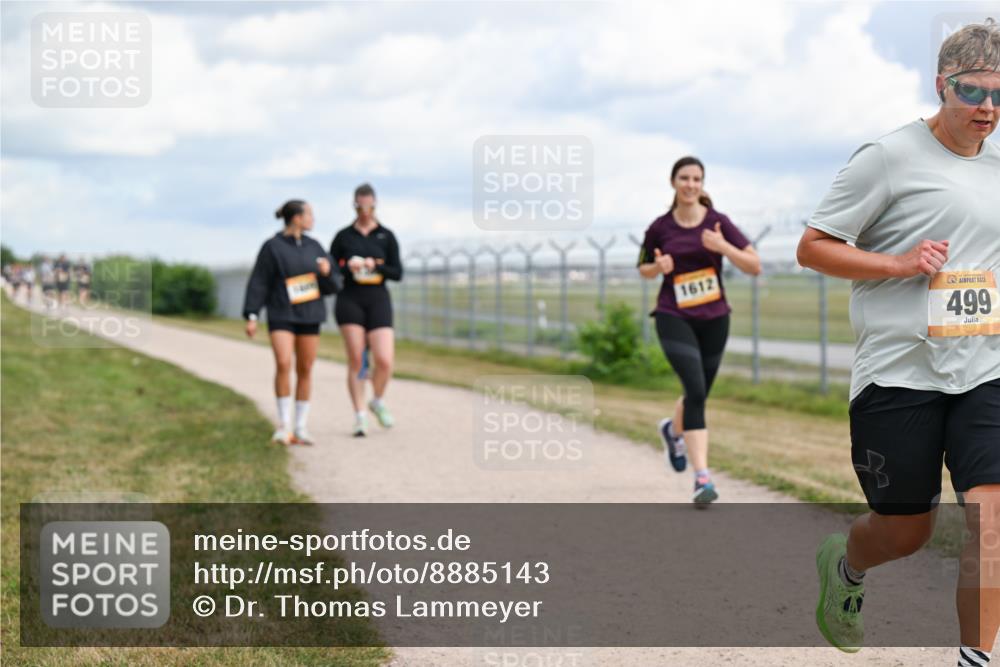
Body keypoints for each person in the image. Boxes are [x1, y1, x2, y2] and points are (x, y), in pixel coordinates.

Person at [798, 18, 1000, 661]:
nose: (987, 108)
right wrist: (898, 263)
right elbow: (813, 247)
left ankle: (976, 657)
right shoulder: (888, 157)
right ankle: (848, 566)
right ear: (942, 85)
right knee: (908, 530)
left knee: (991, 521)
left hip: (985, 368)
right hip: (901, 372)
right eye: (972, 92)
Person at [637, 156, 761, 505]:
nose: (691, 184)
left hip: (715, 318)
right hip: (672, 315)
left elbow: (754, 265)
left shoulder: (719, 223)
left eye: (697, 178)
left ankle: (671, 430)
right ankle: (702, 478)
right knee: (694, 388)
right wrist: (656, 267)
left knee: (699, 393)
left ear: (702, 184)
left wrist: (722, 247)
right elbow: (642, 267)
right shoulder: (660, 227)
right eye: (684, 178)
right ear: (673, 182)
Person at [243, 200, 342, 446]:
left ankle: (301, 427)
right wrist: (252, 314)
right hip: (281, 313)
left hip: (310, 314)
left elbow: (334, 286)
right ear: (296, 218)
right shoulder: (272, 247)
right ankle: (283, 425)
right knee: (284, 362)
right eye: (309, 214)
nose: (313, 219)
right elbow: (259, 281)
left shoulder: (315, 246)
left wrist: (328, 272)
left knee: (305, 369)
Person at [329, 183, 403, 437]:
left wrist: (377, 265)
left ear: (375, 205)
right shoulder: (344, 237)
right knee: (358, 360)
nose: (365, 210)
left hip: (378, 298)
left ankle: (377, 400)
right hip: (350, 299)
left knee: (384, 359)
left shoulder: (386, 236)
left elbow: (397, 272)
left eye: (369, 205)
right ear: (355, 205)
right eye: (360, 205)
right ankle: (360, 415)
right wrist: (347, 265)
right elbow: (331, 269)